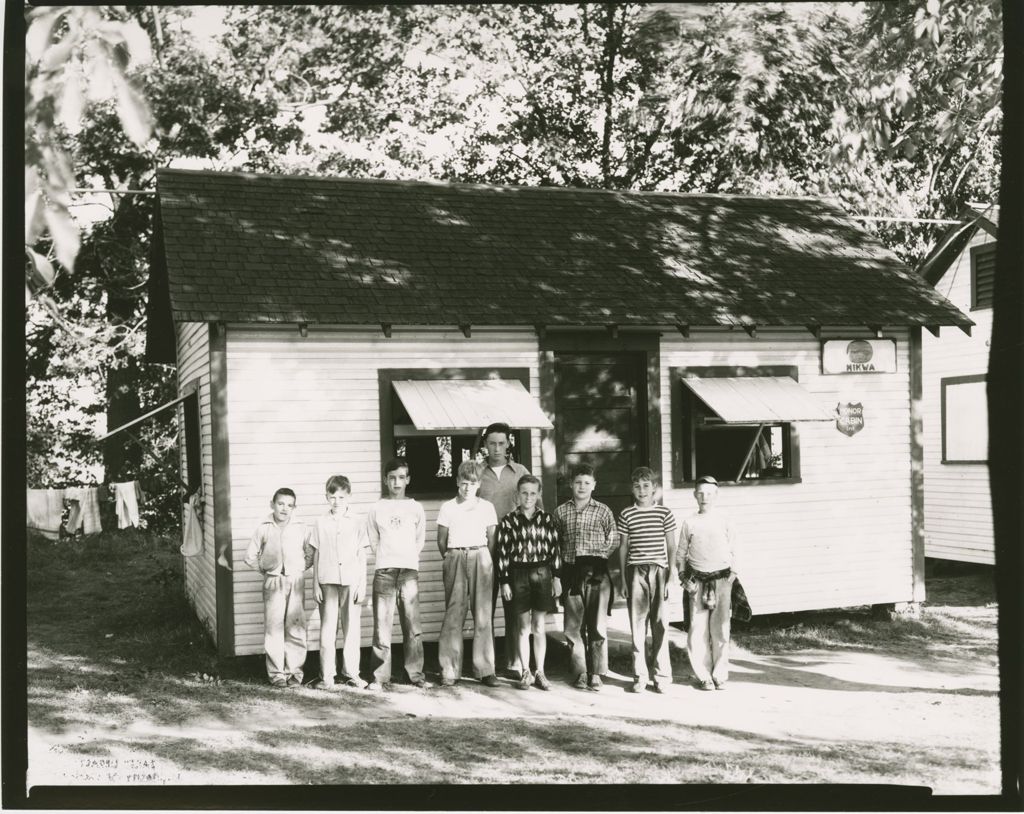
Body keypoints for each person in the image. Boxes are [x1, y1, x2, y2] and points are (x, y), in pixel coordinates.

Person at [476, 421, 536, 676]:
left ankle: (515, 662)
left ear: (509, 443)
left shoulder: (520, 470)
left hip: (516, 549)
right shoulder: (477, 473)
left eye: (501, 443)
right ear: (485, 445)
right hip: (486, 546)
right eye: (492, 443)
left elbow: (533, 505)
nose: (497, 448)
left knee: (516, 606)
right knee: (484, 606)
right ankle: (485, 664)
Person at [366, 457, 430, 690]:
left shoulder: (415, 507)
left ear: (408, 480)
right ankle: (379, 677)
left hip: (409, 572)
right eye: (392, 478)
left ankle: (414, 675)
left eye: (401, 478)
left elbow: (419, 540)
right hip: (384, 571)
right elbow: (373, 541)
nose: (396, 482)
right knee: (382, 627)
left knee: (412, 627)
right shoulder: (376, 508)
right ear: (385, 480)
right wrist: (387, 558)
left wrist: (406, 559)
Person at [436, 460, 500, 688]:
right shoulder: (448, 507)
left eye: (472, 484)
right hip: (455, 556)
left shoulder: (486, 507)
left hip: (481, 556)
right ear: (457, 482)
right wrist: (453, 556)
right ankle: (449, 669)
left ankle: (485, 669)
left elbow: (492, 539)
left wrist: (483, 557)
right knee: (454, 613)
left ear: (479, 484)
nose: (467, 488)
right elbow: (441, 541)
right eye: (463, 483)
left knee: (482, 613)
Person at [496, 475, 562, 691]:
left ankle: (540, 671)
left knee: (539, 626)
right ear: (517, 494)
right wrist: (504, 582)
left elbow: (555, 551)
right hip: (518, 575)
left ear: (539, 494)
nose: (528, 497)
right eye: (524, 492)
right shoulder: (508, 521)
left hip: (542, 573)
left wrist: (557, 578)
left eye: (533, 493)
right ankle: (526, 671)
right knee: (523, 627)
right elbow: (503, 554)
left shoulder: (547, 520)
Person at [554, 463, 617, 691]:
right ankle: (581, 671)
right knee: (574, 626)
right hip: (571, 571)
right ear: (571, 484)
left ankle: (597, 672)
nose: (582, 487)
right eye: (578, 482)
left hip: (596, 572)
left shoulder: (603, 510)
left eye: (587, 483)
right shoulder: (561, 511)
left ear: (594, 485)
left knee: (597, 624)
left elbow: (614, 538)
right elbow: (556, 542)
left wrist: (600, 558)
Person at [244, 487, 314, 687]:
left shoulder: (301, 527)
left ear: (294, 508)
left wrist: (299, 570)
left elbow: (310, 554)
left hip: (296, 581)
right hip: (273, 581)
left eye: (289, 505)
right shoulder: (264, 528)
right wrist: (268, 571)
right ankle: (276, 674)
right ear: (272, 505)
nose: (284, 509)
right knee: (274, 628)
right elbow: (250, 556)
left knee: (296, 626)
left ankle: (295, 673)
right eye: (281, 504)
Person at [617, 466, 677, 693]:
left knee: (660, 624)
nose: (641, 490)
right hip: (635, 573)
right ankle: (640, 675)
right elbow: (623, 548)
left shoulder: (664, 513)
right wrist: (623, 579)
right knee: (637, 625)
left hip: (659, 571)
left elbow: (671, 546)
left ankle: (662, 676)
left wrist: (671, 576)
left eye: (646, 486)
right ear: (632, 489)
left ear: (654, 489)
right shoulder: (627, 514)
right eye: (637, 486)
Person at [676, 475, 739, 691]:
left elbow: (735, 549)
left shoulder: (725, 520)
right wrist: (683, 577)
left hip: (722, 580)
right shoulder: (689, 522)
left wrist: (732, 576)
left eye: (709, 493)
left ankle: (720, 674)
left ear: (716, 495)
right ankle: (703, 675)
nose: (705, 497)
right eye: (700, 493)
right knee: (697, 629)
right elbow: (681, 553)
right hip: (697, 581)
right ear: (694, 495)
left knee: (721, 629)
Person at [309, 475, 369, 690]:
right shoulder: (320, 522)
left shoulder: (357, 521)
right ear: (326, 496)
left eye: (341, 497)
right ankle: (327, 676)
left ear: (349, 496)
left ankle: (352, 673)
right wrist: (315, 583)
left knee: (352, 629)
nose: (336, 501)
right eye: (332, 497)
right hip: (327, 581)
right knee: (328, 630)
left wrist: (362, 585)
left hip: (351, 581)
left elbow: (362, 555)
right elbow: (316, 554)